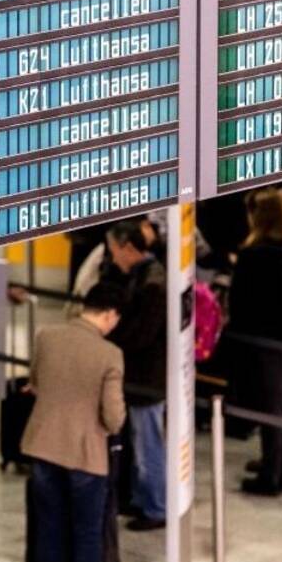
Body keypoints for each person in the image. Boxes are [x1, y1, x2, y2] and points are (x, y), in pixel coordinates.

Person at [23, 283, 127, 562]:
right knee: (87, 534)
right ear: (109, 315)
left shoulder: (47, 336)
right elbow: (113, 418)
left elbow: (36, 383)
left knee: (50, 527)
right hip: (86, 454)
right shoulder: (109, 354)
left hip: (43, 445)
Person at [229, 188, 282, 495]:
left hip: (267, 339)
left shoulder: (254, 255)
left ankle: (270, 475)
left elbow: (240, 304)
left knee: (271, 406)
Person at [105, 220, 168, 531]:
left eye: (114, 251)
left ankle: (156, 506)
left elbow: (141, 335)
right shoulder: (143, 276)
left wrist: (111, 336)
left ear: (128, 248)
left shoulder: (152, 284)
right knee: (141, 443)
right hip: (144, 376)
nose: (112, 257)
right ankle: (144, 500)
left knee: (149, 445)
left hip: (147, 378)